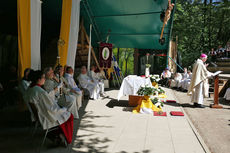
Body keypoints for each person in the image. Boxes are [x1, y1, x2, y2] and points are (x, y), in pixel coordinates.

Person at [24, 70, 73, 145]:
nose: (45, 79)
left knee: (63, 110)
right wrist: (62, 110)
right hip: (45, 117)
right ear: (38, 79)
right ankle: (64, 137)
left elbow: (46, 98)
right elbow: (50, 108)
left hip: (37, 115)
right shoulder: (40, 91)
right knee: (69, 116)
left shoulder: (30, 88)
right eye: (43, 77)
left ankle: (57, 136)